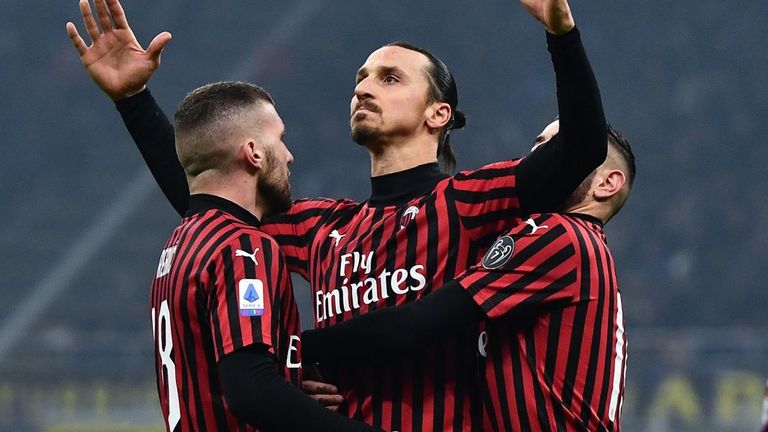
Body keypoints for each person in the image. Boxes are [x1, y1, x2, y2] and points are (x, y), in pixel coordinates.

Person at [67, 0, 607, 429]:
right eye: (361, 78)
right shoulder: (324, 227)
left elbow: (581, 150)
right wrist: (134, 100)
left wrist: (562, 32)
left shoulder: (466, 203)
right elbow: (208, 194)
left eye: (391, 78)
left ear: (438, 114)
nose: (365, 87)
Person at [301, 123, 636, 431]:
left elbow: (414, 325)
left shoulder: (560, 236)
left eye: (556, 145)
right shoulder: (573, 248)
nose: (540, 155)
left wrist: (296, 351)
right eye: (538, 145)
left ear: (608, 183)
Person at [123, 79, 384, 430]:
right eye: (280, 139)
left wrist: (287, 385)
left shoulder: (180, 244)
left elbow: (224, 377)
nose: (289, 155)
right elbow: (251, 390)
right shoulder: (243, 246)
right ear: (254, 153)